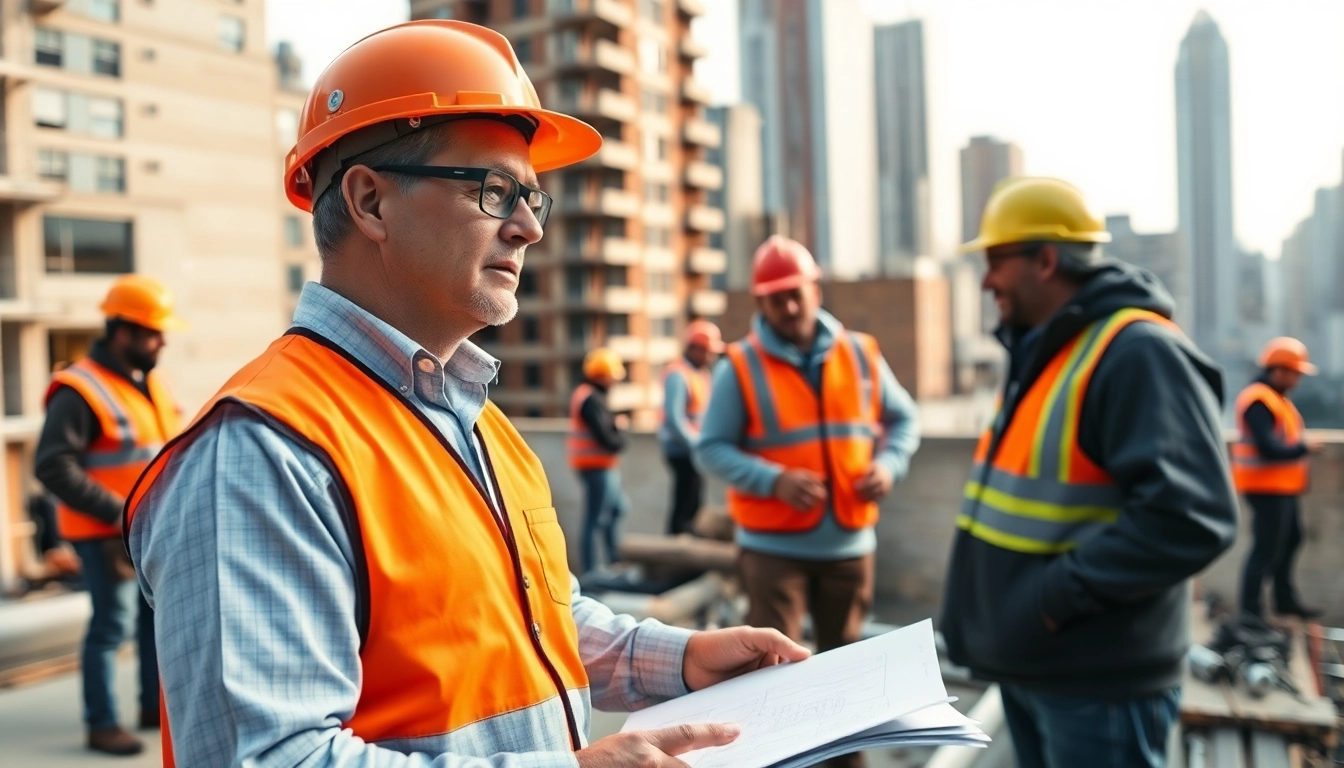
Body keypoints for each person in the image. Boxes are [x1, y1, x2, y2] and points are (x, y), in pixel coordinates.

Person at [125, 21, 807, 767]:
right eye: (494, 191)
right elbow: (266, 759)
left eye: (533, 200)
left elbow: (526, 622)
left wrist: (680, 659)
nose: (527, 229)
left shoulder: (475, 420)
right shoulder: (261, 454)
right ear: (370, 202)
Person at [942, 177, 1238, 768]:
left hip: (1097, 684)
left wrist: (1051, 601)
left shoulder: (1138, 352)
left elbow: (1190, 517)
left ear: (1045, 260)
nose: (986, 280)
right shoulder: (1047, 353)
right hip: (1038, 666)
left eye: (997, 260)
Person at [696, 235, 920, 768]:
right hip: (773, 552)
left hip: (848, 546)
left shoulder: (862, 354)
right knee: (773, 675)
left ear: (815, 289)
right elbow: (711, 447)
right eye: (775, 298)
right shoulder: (740, 366)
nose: (789, 306)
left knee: (847, 674)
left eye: (796, 293)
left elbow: (903, 419)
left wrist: (888, 467)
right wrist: (773, 480)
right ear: (761, 304)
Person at [35, 274, 185, 756]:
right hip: (106, 533)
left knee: (150, 622)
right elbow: (52, 465)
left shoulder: (145, 384)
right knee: (111, 626)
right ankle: (101, 725)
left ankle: (148, 707)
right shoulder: (80, 389)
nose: (161, 340)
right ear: (122, 331)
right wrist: (123, 512)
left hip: (145, 528)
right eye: (152, 331)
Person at [1234, 337, 1324, 619]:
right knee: (1265, 549)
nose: (1297, 380)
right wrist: (1303, 448)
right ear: (1279, 370)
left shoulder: (1276, 399)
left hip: (1282, 487)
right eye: (1295, 373)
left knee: (1290, 539)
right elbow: (1269, 448)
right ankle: (1251, 613)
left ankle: (1285, 601)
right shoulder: (1258, 401)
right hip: (1265, 487)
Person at [659, 319, 723, 536]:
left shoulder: (700, 374)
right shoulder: (678, 374)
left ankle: (684, 544)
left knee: (694, 501)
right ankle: (676, 551)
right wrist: (697, 444)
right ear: (695, 348)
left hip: (694, 449)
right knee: (685, 503)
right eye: (708, 351)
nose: (711, 357)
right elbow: (675, 419)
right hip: (682, 450)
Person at [569, 347, 630, 574]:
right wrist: (620, 429)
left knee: (616, 510)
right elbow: (610, 440)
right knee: (595, 519)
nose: (615, 381)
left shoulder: (589, 395)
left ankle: (613, 562)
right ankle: (592, 570)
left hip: (600, 467)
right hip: (595, 467)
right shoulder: (591, 399)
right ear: (602, 375)